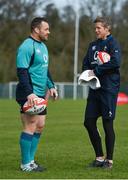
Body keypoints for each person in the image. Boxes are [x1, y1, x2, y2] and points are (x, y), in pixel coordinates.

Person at [16, 17, 58, 172]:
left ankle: (31, 161)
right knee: (30, 124)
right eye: (46, 29)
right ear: (36, 29)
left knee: (40, 126)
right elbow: (22, 71)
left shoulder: (43, 46)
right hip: (28, 93)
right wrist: (29, 93)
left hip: (40, 93)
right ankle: (25, 164)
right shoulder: (26, 47)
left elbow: (44, 69)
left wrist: (51, 86)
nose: (48, 32)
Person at [82, 16, 121, 169]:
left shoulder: (113, 43)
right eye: (95, 28)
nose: (96, 30)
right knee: (88, 122)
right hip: (94, 90)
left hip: (108, 90)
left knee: (107, 123)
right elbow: (85, 64)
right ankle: (99, 157)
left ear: (107, 28)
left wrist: (96, 71)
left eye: (99, 28)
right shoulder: (92, 45)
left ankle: (109, 161)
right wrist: (86, 74)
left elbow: (116, 62)